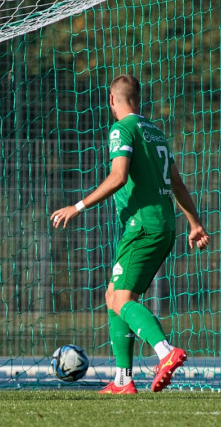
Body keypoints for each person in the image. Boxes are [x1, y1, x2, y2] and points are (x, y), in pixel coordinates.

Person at [50, 74, 211, 394]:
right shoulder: (155, 132)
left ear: (112, 100)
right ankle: (123, 380)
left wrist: (77, 207)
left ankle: (165, 352)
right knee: (114, 297)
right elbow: (176, 182)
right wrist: (195, 223)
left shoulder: (122, 129)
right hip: (163, 224)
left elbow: (119, 176)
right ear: (139, 98)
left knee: (121, 298)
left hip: (142, 226)